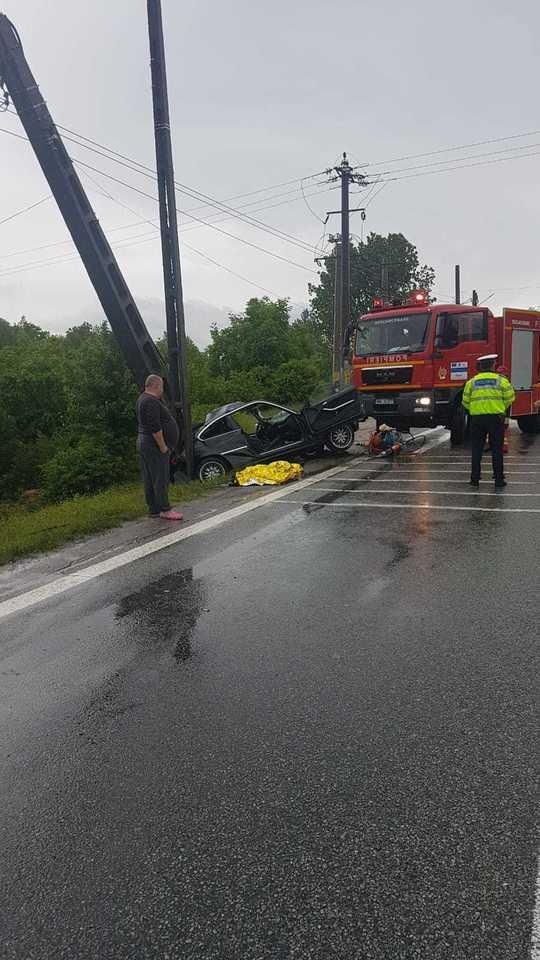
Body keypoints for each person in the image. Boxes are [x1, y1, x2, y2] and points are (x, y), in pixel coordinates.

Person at [462, 354, 515, 489]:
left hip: (477, 420)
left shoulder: (471, 382)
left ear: (480, 366)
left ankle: (474, 479)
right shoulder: (501, 380)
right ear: (493, 365)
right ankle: (498, 480)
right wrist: (500, 408)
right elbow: (510, 398)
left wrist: (476, 410)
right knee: (497, 449)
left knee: (477, 449)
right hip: (496, 419)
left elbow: (465, 402)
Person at [136, 374, 183, 520]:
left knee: (150, 477)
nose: (162, 390)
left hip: (145, 442)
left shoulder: (142, 399)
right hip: (153, 444)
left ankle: (154, 509)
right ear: (156, 386)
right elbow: (155, 427)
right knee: (160, 477)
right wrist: (163, 447)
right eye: (161, 387)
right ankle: (165, 509)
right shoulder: (151, 402)